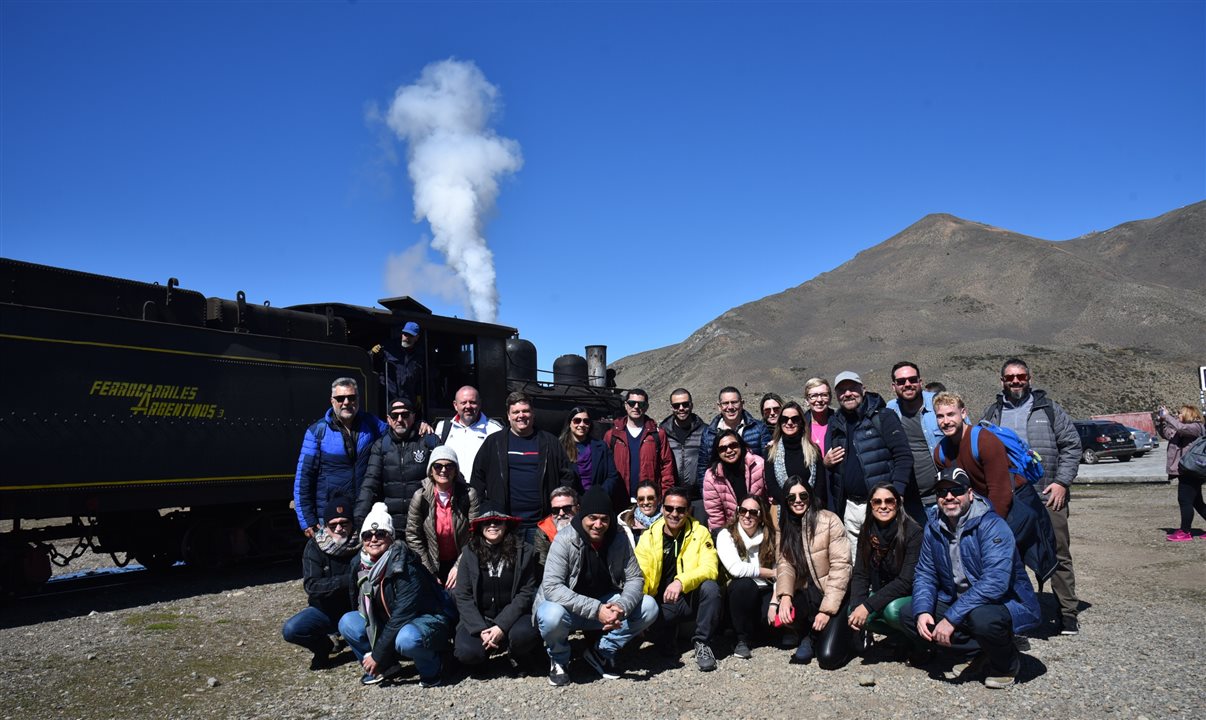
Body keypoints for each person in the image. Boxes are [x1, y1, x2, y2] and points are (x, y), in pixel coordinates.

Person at [901, 468, 1041, 689]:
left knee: (983, 618)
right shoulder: (933, 526)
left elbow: (995, 583)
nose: (948, 497)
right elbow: (925, 573)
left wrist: (950, 619)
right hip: (959, 601)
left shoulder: (992, 525)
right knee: (910, 615)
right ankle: (980, 652)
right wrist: (923, 610)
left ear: (970, 493)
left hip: (1003, 602)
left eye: (956, 490)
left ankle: (1007, 662)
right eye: (942, 492)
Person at [980, 358, 1083, 635]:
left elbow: (1072, 445)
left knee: (1057, 551)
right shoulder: (993, 413)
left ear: (1029, 378)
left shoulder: (1048, 409)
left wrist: (1062, 482)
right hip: (1010, 498)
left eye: (1021, 376)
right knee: (1008, 554)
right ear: (1001, 380)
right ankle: (1018, 612)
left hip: (1049, 495)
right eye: (1010, 377)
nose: (1016, 381)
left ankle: (1067, 612)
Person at [534, 486, 659, 686]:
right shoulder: (564, 539)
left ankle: (601, 651)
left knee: (648, 606)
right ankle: (559, 659)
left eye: (604, 519)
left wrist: (622, 607)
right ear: (582, 515)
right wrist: (596, 610)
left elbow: (635, 578)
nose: (598, 524)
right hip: (569, 608)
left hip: (607, 603)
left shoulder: (618, 538)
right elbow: (552, 586)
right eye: (592, 518)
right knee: (550, 615)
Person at [338, 501, 455, 688]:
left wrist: (377, 654)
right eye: (367, 535)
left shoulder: (405, 564)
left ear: (391, 537)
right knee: (348, 622)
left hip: (426, 620)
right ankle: (386, 667)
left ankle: (433, 668)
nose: (373, 539)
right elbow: (356, 602)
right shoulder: (359, 564)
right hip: (391, 621)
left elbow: (403, 613)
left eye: (380, 534)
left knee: (407, 638)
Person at [823, 371, 913, 558]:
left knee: (888, 559)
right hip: (850, 508)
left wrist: (898, 493)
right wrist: (827, 463)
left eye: (852, 388)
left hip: (881, 505)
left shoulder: (883, 417)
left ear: (863, 389)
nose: (848, 394)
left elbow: (903, 456)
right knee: (857, 563)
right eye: (842, 390)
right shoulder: (835, 423)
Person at [470, 391, 579, 542]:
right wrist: (485, 511)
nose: (521, 415)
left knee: (541, 564)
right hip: (506, 525)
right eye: (516, 412)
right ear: (508, 415)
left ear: (533, 413)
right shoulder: (493, 442)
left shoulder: (550, 442)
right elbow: (477, 478)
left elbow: (567, 476)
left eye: (526, 411)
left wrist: (560, 508)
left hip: (542, 524)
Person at [634, 486, 722, 671]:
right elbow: (638, 575)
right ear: (662, 508)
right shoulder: (648, 537)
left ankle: (702, 643)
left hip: (689, 598)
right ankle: (667, 635)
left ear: (688, 510)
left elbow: (710, 568)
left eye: (680, 510)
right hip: (662, 604)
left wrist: (681, 581)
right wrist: (638, 614)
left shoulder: (701, 533)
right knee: (663, 649)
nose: (674, 514)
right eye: (669, 508)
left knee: (711, 588)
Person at [773, 478, 852, 669]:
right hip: (808, 594)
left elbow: (841, 567)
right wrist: (784, 595)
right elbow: (785, 564)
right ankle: (807, 635)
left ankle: (848, 634)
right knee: (785, 608)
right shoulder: (786, 525)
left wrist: (826, 611)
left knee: (828, 658)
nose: (798, 500)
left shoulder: (829, 520)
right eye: (791, 497)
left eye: (803, 495)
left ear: (810, 496)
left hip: (834, 596)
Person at [452, 505, 542, 670]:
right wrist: (480, 629)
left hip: (515, 618)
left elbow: (525, 592)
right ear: (480, 527)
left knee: (525, 636)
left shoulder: (523, 551)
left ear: (506, 525)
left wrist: (501, 625)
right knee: (467, 652)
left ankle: (515, 652)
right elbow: (463, 595)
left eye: (498, 522)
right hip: (481, 617)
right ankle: (484, 653)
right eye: (487, 522)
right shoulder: (469, 553)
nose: (492, 525)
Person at [294, 378, 387, 536]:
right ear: (332, 401)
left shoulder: (372, 425)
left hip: (365, 513)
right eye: (340, 398)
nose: (346, 402)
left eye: (351, 397)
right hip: (331, 517)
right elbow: (304, 478)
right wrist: (307, 520)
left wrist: (419, 426)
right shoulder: (317, 432)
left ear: (358, 399)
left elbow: (397, 432)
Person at [281, 490, 359, 670]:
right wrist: (347, 581)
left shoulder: (365, 543)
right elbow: (312, 586)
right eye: (333, 525)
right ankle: (324, 647)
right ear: (325, 526)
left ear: (352, 523)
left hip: (356, 609)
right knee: (291, 630)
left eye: (344, 523)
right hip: (325, 610)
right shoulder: (314, 546)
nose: (339, 529)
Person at [846, 482, 922, 652]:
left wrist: (867, 606)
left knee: (892, 611)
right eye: (877, 502)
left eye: (889, 501)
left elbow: (906, 581)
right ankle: (897, 637)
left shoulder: (913, 532)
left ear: (898, 504)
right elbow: (860, 573)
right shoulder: (867, 531)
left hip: (909, 594)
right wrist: (858, 606)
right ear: (870, 506)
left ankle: (914, 641)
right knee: (852, 610)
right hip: (885, 591)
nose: (883, 506)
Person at [405, 446, 479, 588]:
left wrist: (459, 566)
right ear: (431, 471)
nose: (444, 470)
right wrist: (428, 570)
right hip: (431, 562)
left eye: (449, 466)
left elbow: (475, 535)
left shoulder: (468, 495)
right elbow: (413, 536)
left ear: (456, 470)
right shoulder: (420, 497)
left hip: (462, 560)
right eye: (438, 466)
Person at [355, 397, 429, 534]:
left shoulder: (427, 442)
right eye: (395, 416)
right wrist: (359, 518)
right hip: (392, 523)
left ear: (413, 417)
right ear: (388, 420)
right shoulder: (380, 446)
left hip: (423, 522)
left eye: (405, 415)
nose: (400, 419)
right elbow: (370, 483)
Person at [716, 494, 777, 659]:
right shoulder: (726, 535)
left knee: (773, 618)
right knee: (745, 585)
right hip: (737, 594)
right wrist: (769, 573)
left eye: (753, 512)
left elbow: (781, 571)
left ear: (761, 516)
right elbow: (736, 569)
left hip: (765, 589)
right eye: (743, 511)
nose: (747, 515)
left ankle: (758, 632)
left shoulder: (770, 536)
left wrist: (774, 602)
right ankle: (741, 639)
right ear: (737, 512)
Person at [884, 361, 944, 514]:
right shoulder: (890, 410)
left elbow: (966, 438)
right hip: (909, 501)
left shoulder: (941, 404)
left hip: (943, 496)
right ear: (894, 386)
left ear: (920, 382)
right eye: (901, 381)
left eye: (912, 379)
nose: (907, 384)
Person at [603, 388, 674, 505]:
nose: (636, 407)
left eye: (641, 404)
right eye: (632, 403)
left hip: (649, 501)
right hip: (618, 500)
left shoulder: (657, 435)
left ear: (646, 407)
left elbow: (666, 468)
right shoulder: (612, 435)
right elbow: (604, 469)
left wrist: (665, 498)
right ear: (625, 405)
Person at [696, 386, 772, 486]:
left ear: (742, 403)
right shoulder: (708, 433)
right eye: (725, 403)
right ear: (719, 406)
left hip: (754, 490)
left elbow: (768, 462)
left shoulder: (758, 428)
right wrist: (707, 494)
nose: (730, 407)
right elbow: (703, 468)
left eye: (734, 402)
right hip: (722, 492)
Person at [431, 385, 503, 480]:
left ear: (480, 404)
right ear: (455, 405)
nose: (468, 406)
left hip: (482, 490)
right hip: (452, 489)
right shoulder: (442, 427)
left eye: (472, 402)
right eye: (463, 402)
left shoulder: (494, 429)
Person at [1157, 404, 1206, 541]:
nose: (1178, 415)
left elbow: (1181, 428)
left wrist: (1168, 416)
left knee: (1184, 500)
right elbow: (1167, 433)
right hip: (1186, 469)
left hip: (1191, 469)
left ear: (1189, 414)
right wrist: (1161, 421)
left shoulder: (1196, 427)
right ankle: (1185, 530)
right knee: (1197, 502)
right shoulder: (1181, 429)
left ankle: (1185, 531)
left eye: (1180, 413)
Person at [702, 429, 767, 531]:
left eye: (733, 445)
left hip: (761, 525)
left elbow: (771, 499)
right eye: (723, 448)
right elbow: (715, 514)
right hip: (732, 530)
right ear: (717, 452)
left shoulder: (759, 465)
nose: (729, 451)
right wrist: (720, 538)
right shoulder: (711, 476)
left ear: (740, 445)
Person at [659, 388, 708, 517]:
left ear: (691, 405)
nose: (681, 408)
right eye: (676, 405)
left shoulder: (705, 431)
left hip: (698, 498)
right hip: (672, 498)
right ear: (672, 407)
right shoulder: (662, 433)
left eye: (685, 404)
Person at [763, 401, 822, 505]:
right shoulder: (770, 451)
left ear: (801, 422)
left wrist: (808, 504)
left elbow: (820, 486)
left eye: (795, 419)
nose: (789, 423)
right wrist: (792, 504)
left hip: (811, 509)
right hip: (784, 511)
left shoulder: (814, 450)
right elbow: (772, 486)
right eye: (784, 419)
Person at [558, 406, 619, 501]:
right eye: (577, 421)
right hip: (571, 502)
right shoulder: (559, 448)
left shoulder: (601, 447)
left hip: (596, 500)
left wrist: (600, 494)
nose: (582, 424)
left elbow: (612, 476)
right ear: (569, 423)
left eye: (586, 421)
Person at [371, 320, 425, 415]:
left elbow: (418, 379)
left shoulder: (418, 356)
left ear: (417, 338)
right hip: (388, 397)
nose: (406, 337)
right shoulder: (388, 347)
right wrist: (372, 353)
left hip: (407, 399)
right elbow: (369, 362)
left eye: (410, 335)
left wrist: (418, 394)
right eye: (405, 334)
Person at [534, 486, 580, 566]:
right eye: (555, 510)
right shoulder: (543, 531)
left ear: (578, 508)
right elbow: (542, 564)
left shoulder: (588, 526)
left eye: (567, 508)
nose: (561, 513)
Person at [617, 480, 661, 548]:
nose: (646, 502)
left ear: (658, 500)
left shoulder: (666, 524)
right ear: (637, 501)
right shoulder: (625, 525)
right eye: (641, 499)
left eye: (650, 498)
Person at [803, 377, 834, 455]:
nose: (819, 400)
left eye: (824, 395)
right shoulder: (800, 425)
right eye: (814, 396)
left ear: (830, 398)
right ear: (807, 401)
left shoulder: (840, 423)